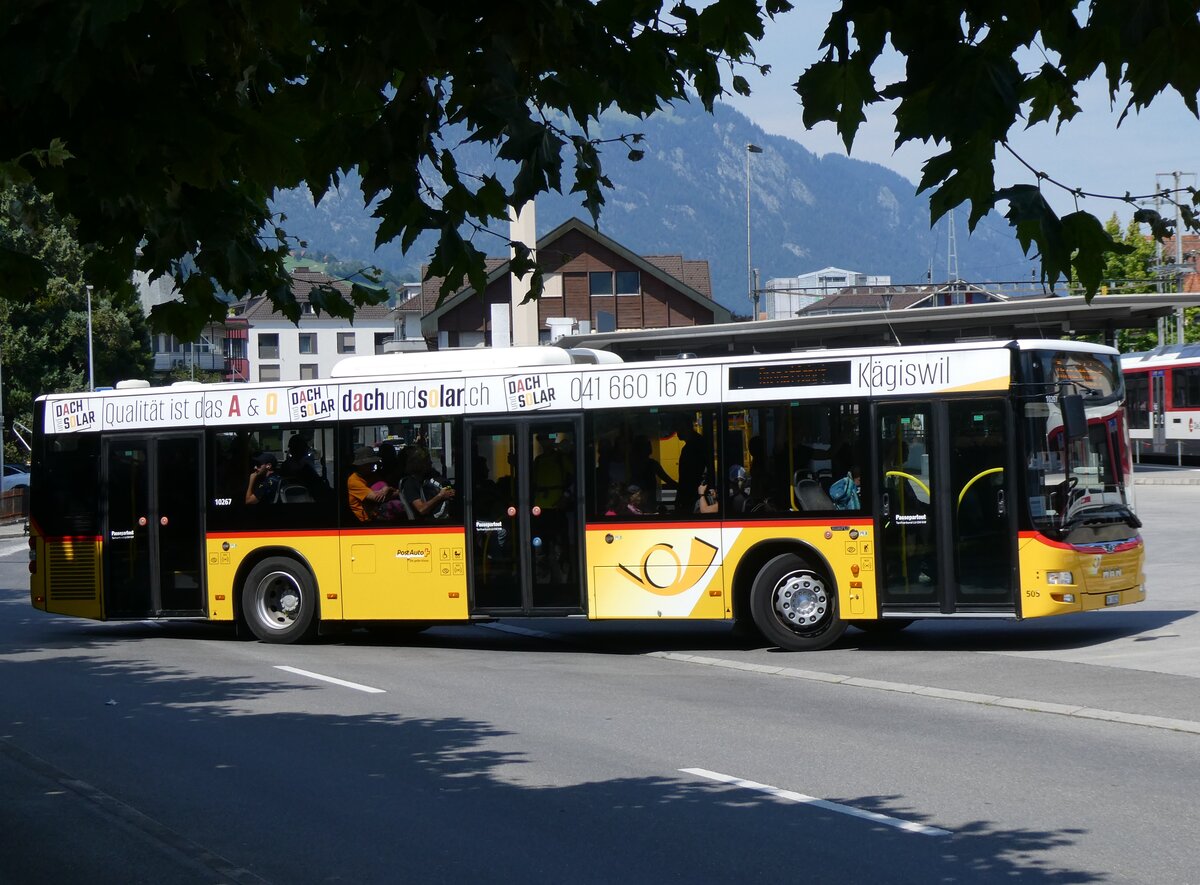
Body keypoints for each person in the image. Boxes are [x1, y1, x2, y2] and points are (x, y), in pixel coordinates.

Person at [347, 446, 403, 522]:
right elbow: (377, 498)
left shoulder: (373, 476)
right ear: (360, 465)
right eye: (369, 464)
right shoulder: (353, 481)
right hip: (364, 522)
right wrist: (390, 491)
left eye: (373, 463)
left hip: (377, 516)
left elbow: (397, 492)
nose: (373, 465)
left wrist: (388, 489)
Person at [400, 447, 456, 520]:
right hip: (429, 523)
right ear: (418, 463)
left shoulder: (428, 478)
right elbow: (421, 509)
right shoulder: (410, 484)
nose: (430, 463)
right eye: (427, 460)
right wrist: (440, 496)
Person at [674, 414, 711, 513]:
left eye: (678, 428)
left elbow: (686, 477)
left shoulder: (692, 447)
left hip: (692, 495)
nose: (676, 432)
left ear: (686, 427)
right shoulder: (696, 443)